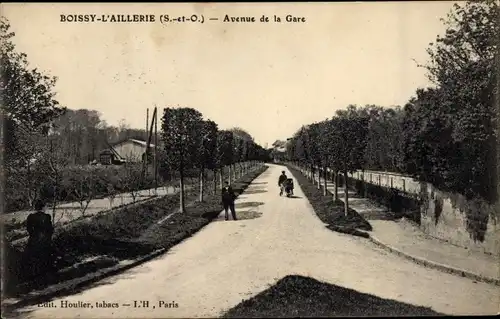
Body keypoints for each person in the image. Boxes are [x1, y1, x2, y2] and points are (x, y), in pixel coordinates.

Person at [23, 199, 56, 281]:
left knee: (33, 256)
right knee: (45, 255)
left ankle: (35, 274)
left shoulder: (30, 217)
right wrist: (47, 237)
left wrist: (34, 235)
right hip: (44, 239)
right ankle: (46, 273)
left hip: (34, 239)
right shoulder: (47, 217)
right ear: (43, 207)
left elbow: (29, 229)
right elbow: (50, 229)